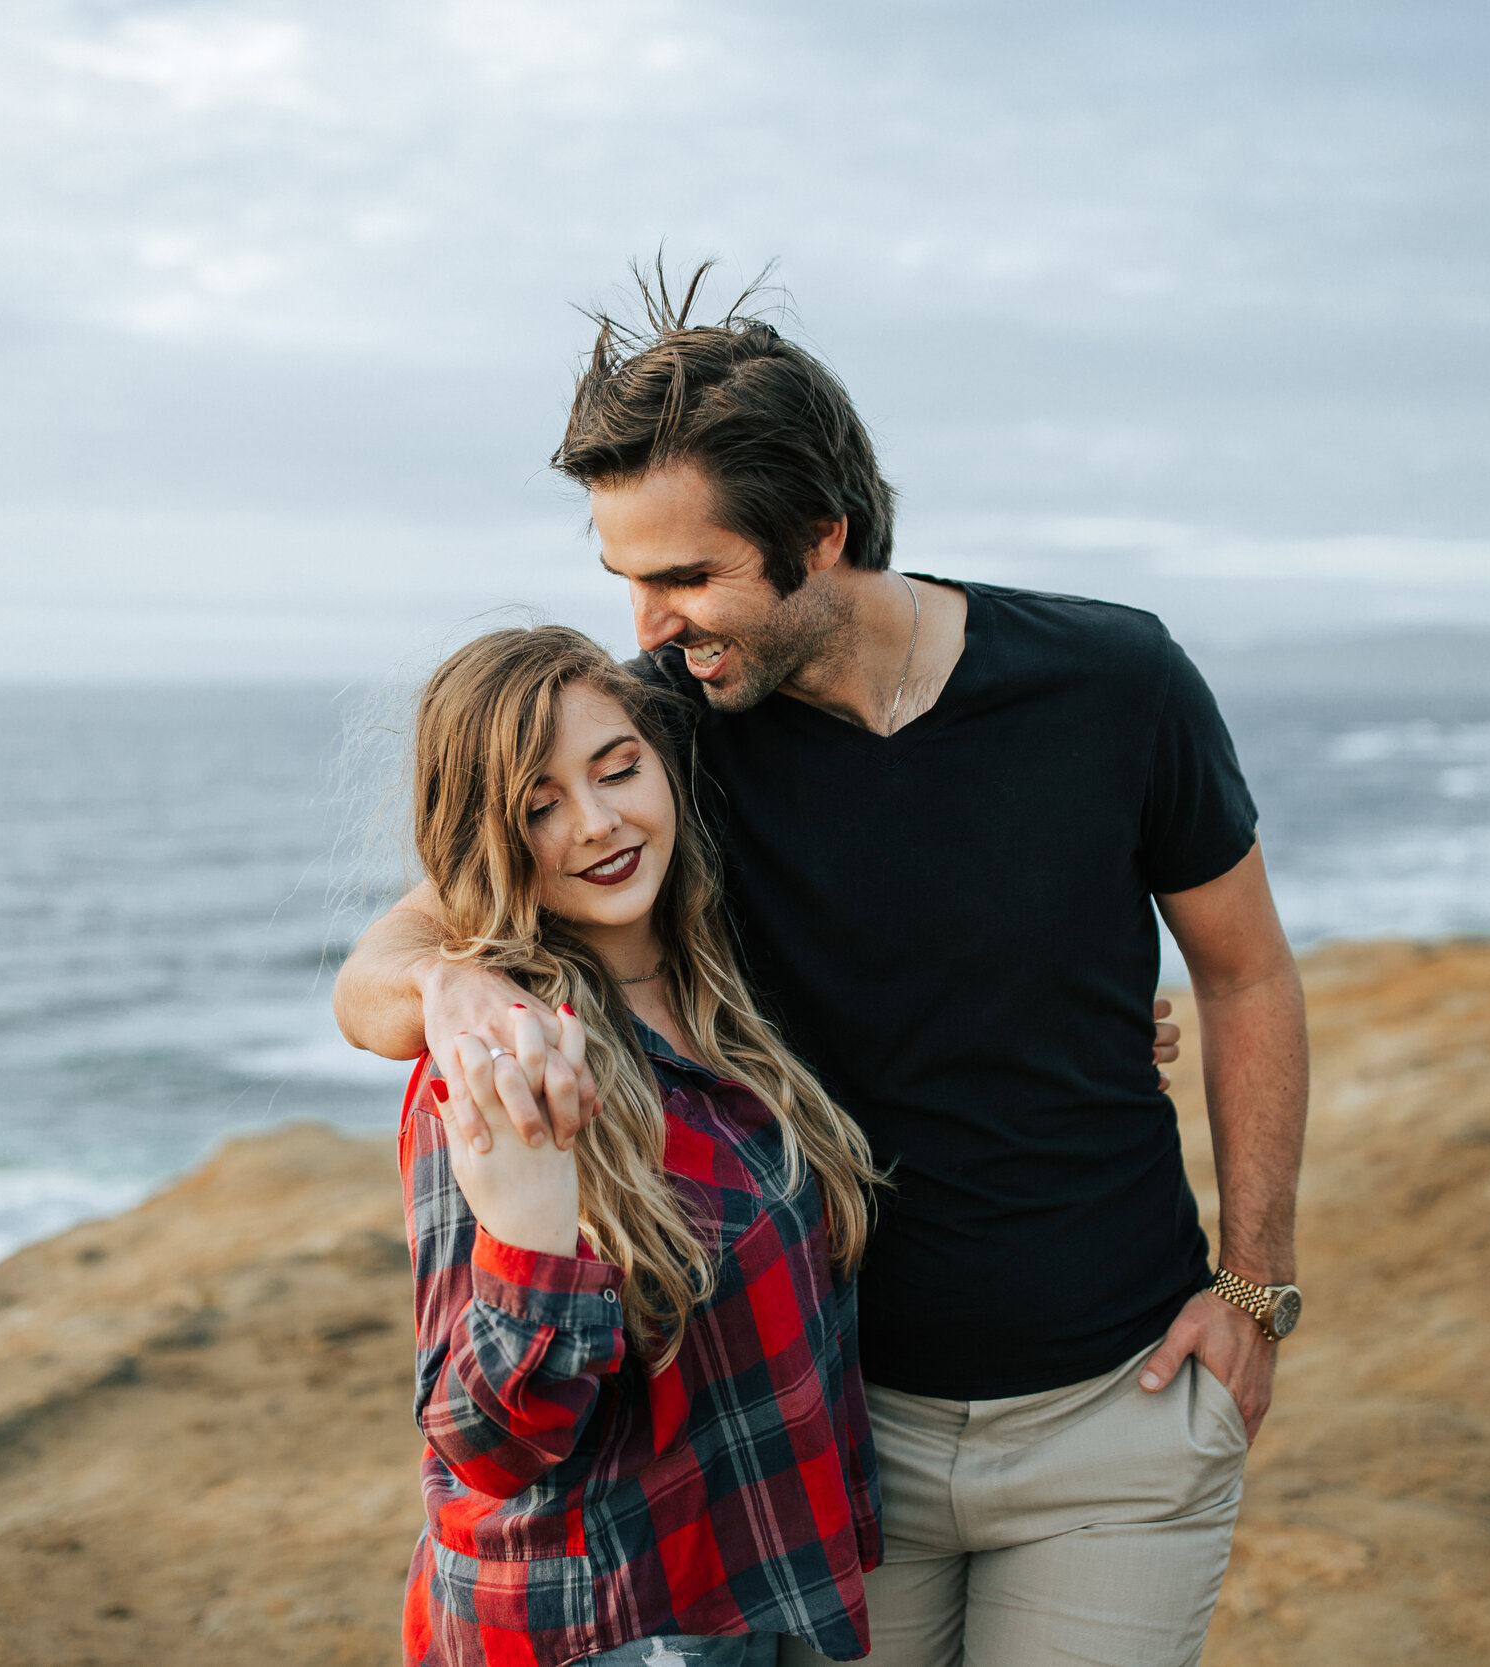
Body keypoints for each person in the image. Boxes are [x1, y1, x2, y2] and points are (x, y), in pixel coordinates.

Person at [338, 265, 1309, 1667]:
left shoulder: (1116, 681)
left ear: (821, 532)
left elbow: (1247, 973)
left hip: (1119, 1406)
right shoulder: (664, 734)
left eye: (685, 575)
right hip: (839, 1445)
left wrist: (1256, 1284)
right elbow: (396, 953)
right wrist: (454, 988)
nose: (652, 621)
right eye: (627, 580)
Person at [391, 624, 890, 1667]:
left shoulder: (727, 994)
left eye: (617, 769)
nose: (596, 822)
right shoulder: (499, 1060)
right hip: (604, 1626)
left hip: (745, 1592)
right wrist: (531, 1237)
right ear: (486, 835)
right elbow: (481, 1440)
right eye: (538, 805)